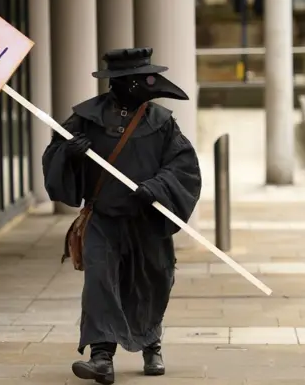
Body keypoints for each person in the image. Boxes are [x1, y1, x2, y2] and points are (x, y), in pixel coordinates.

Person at [42, 47, 202, 385]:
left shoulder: (160, 122)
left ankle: (151, 344)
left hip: (147, 218)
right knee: (100, 281)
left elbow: (183, 165)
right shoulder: (86, 118)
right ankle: (101, 357)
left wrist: (157, 187)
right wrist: (69, 154)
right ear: (121, 82)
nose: (149, 83)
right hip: (104, 217)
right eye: (140, 78)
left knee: (153, 280)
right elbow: (55, 154)